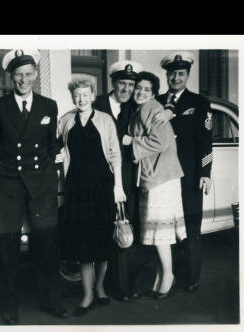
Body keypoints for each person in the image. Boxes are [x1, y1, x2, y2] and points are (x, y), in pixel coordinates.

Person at [0, 49, 69, 325]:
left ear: (35, 75)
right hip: (7, 184)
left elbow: (52, 141)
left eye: (28, 74)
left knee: (46, 244)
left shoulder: (48, 106)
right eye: (18, 75)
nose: (23, 80)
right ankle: (9, 307)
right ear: (10, 77)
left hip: (40, 184)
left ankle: (51, 301)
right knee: (6, 246)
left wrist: (52, 160)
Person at [94, 60, 174, 301]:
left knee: (130, 229)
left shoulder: (137, 105)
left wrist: (170, 108)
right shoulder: (96, 103)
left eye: (131, 84)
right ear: (113, 83)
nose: (127, 89)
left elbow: (158, 108)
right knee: (102, 228)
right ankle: (104, 285)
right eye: (123, 83)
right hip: (99, 176)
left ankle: (129, 285)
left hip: (129, 176)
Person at [58, 78, 126, 316]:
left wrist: (118, 186)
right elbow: (56, 149)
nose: (81, 99)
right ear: (72, 97)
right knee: (83, 241)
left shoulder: (106, 120)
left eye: (86, 95)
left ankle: (100, 288)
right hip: (77, 188)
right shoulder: (65, 121)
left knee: (101, 238)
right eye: (77, 95)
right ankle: (87, 294)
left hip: (102, 186)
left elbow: (116, 155)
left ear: (93, 95)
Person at [122, 71, 186, 300]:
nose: (140, 92)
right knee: (159, 233)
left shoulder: (152, 108)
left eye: (146, 89)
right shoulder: (143, 108)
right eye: (138, 88)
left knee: (161, 234)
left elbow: (161, 141)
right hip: (155, 177)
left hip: (162, 178)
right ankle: (162, 275)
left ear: (153, 93)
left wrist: (132, 142)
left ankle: (168, 276)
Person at [158, 52, 213, 292]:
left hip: (189, 175)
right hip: (163, 175)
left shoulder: (199, 102)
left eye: (180, 73)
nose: (175, 78)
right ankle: (171, 273)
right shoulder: (157, 101)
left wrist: (205, 172)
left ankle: (191, 277)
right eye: (172, 73)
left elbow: (205, 140)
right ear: (166, 75)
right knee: (168, 225)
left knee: (190, 224)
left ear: (187, 75)